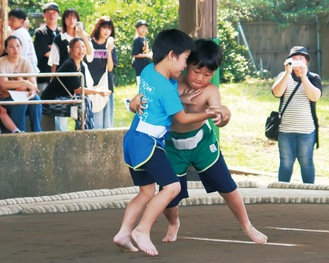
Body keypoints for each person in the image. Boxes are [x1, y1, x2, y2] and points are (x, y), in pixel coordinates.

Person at [130, 39, 268, 245]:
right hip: (173, 146)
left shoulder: (210, 91)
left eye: (208, 74)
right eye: (196, 71)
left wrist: (224, 116)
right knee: (169, 198)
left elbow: (218, 114)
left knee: (228, 188)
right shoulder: (171, 84)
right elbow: (145, 102)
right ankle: (174, 222)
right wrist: (133, 104)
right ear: (186, 64)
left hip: (203, 144)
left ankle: (247, 226)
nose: (201, 78)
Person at [113, 29, 221, 256]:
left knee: (146, 192)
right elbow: (181, 118)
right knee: (173, 187)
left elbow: (154, 100)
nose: (185, 66)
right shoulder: (167, 88)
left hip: (133, 140)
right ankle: (142, 229)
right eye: (184, 59)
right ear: (172, 55)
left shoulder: (149, 71)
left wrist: (180, 98)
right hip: (148, 143)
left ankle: (123, 233)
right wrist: (208, 114)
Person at [272, 46, 322, 184]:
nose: (298, 61)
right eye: (294, 58)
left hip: (306, 130)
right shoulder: (283, 76)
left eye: (301, 58)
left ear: (306, 61)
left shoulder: (313, 78)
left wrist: (304, 77)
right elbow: (277, 93)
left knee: (306, 163)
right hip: (285, 130)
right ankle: (282, 193)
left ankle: (309, 193)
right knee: (286, 163)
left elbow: (315, 97)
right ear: (288, 60)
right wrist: (287, 73)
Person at [41, 37, 110, 130]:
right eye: (77, 47)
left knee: (86, 100)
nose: (81, 50)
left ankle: (87, 131)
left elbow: (82, 91)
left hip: (65, 100)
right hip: (49, 103)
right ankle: (82, 134)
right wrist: (97, 92)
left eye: (83, 47)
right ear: (71, 50)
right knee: (82, 102)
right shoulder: (69, 65)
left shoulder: (82, 66)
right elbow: (78, 90)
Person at [48, 8, 93, 131]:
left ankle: (82, 131)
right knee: (62, 117)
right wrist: (53, 80)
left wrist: (83, 35)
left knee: (83, 104)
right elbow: (54, 62)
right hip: (63, 79)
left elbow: (90, 55)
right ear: (63, 20)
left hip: (79, 76)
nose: (71, 20)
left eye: (74, 17)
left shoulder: (83, 36)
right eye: (68, 17)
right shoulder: (59, 38)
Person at [0, 35, 42, 132]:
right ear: (6, 49)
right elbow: (4, 84)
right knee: (21, 101)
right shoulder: (2, 62)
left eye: (18, 46)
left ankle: (37, 131)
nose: (15, 49)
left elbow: (33, 85)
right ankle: (20, 132)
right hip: (6, 98)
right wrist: (24, 82)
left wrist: (31, 91)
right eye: (11, 46)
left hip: (24, 96)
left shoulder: (26, 62)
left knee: (36, 99)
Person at [86, 16, 118, 129]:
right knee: (95, 123)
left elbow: (110, 68)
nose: (106, 31)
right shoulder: (90, 44)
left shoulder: (111, 47)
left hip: (106, 86)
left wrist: (109, 51)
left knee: (107, 123)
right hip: (92, 87)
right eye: (104, 28)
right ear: (99, 28)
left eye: (109, 29)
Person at [33, 2, 61, 94]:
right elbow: (45, 53)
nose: (51, 15)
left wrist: (52, 48)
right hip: (44, 76)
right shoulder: (39, 33)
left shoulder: (62, 32)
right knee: (44, 104)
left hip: (61, 76)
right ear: (44, 15)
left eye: (54, 13)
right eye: (48, 13)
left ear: (58, 15)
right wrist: (59, 51)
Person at [8, 8, 38, 73]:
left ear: (21, 21)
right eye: (9, 20)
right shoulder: (24, 32)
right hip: (30, 68)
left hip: (22, 70)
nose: (9, 22)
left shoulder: (15, 34)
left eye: (13, 20)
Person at [131, 19, 152, 87]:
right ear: (137, 29)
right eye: (141, 27)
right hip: (140, 65)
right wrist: (147, 55)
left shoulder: (144, 38)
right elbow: (135, 54)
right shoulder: (137, 40)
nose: (143, 29)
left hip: (146, 63)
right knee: (141, 83)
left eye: (145, 27)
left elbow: (145, 50)